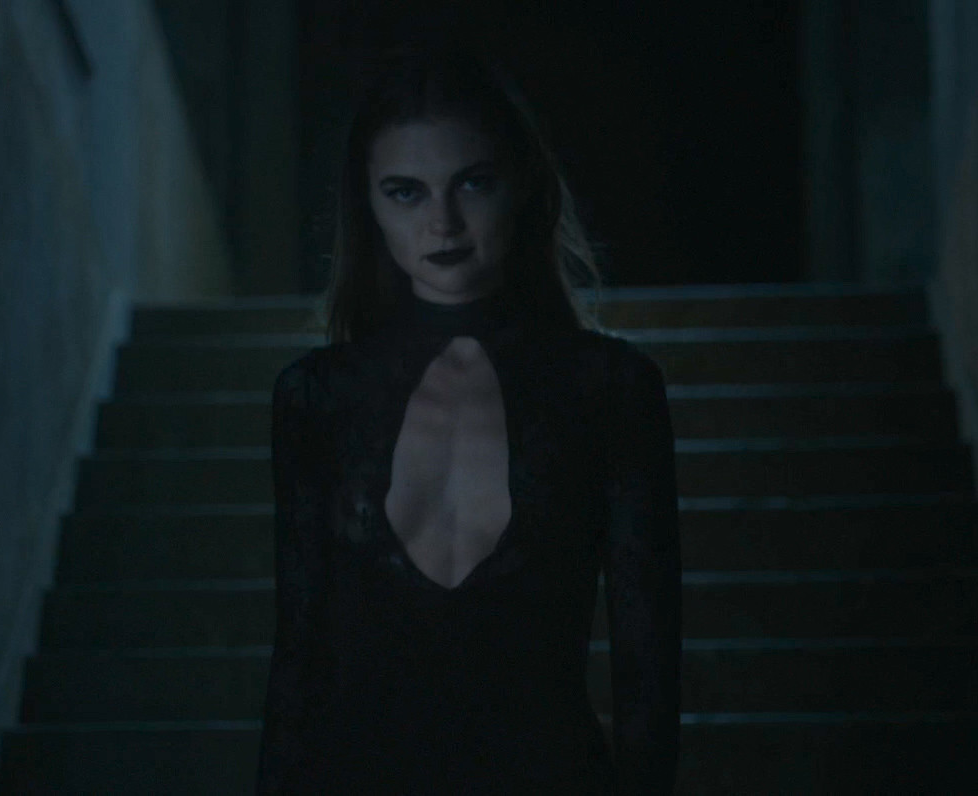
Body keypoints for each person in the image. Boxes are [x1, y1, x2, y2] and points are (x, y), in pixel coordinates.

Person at [257, 42, 681, 795]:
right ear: (368, 206)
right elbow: (299, 660)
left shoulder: (610, 390)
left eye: (473, 183)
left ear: (521, 184)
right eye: (405, 192)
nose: (443, 223)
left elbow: (647, 668)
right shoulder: (315, 399)